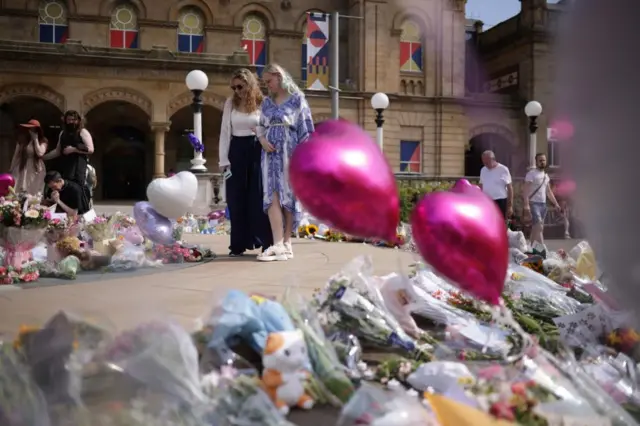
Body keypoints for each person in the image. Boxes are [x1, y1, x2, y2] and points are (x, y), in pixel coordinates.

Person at [256, 63, 314, 262]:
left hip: (291, 153)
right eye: (264, 83)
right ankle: (277, 243)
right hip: (269, 155)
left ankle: (287, 243)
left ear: (279, 77)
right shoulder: (266, 103)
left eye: (269, 81)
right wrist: (262, 141)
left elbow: (306, 129)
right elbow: (260, 127)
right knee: (271, 195)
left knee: (289, 197)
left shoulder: (298, 100)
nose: (267, 86)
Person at [219, 68, 273, 256]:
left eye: (240, 86)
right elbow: (225, 132)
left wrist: (258, 132)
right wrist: (223, 160)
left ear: (250, 84)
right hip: (236, 150)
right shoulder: (230, 103)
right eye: (233, 87)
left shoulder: (263, 103)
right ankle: (238, 244)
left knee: (257, 196)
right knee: (236, 199)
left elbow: (268, 129)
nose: (236, 91)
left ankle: (266, 242)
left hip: (257, 149)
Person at [43, 110, 93, 204]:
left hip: (78, 164)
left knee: (77, 187)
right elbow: (57, 151)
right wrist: (43, 157)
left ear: (78, 121)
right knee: (64, 186)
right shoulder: (62, 133)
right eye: (68, 119)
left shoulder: (82, 132)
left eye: (73, 120)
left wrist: (74, 149)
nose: (71, 122)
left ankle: (80, 209)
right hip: (65, 164)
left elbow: (90, 149)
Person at [523, 153, 562, 245]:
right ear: (536, 162)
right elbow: (525, 190)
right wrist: (526, 205)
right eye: (540, 160)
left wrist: (556, 204)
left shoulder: (546, 176)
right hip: (533, 203)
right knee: (539, 227)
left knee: (537, 228)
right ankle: (543, 249)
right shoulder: (531, 174)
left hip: (543, 205)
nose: (542, 162)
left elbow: (548, 192)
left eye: (544, 160)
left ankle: (531, 248)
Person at [9, 119, 47, 195]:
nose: (31, 131)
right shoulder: (22, 140)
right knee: (19, 188)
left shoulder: (42, 140)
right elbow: (16, 155)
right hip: (22, 166)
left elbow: (40, 153)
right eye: (29, 128)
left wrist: (35, 139)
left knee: (33, 189)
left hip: (36, 167)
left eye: (33, 129)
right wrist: (11, 168)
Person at [478, 150, 513, 219]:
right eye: (484, 162)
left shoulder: (503, 169)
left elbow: (510, 188)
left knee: (500, 221)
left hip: (500, 200)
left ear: (493, 159)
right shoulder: (483, 170)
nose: (486, 165)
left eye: (487, 162)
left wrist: (510, 206)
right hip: (487, 201)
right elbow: (481, 185)